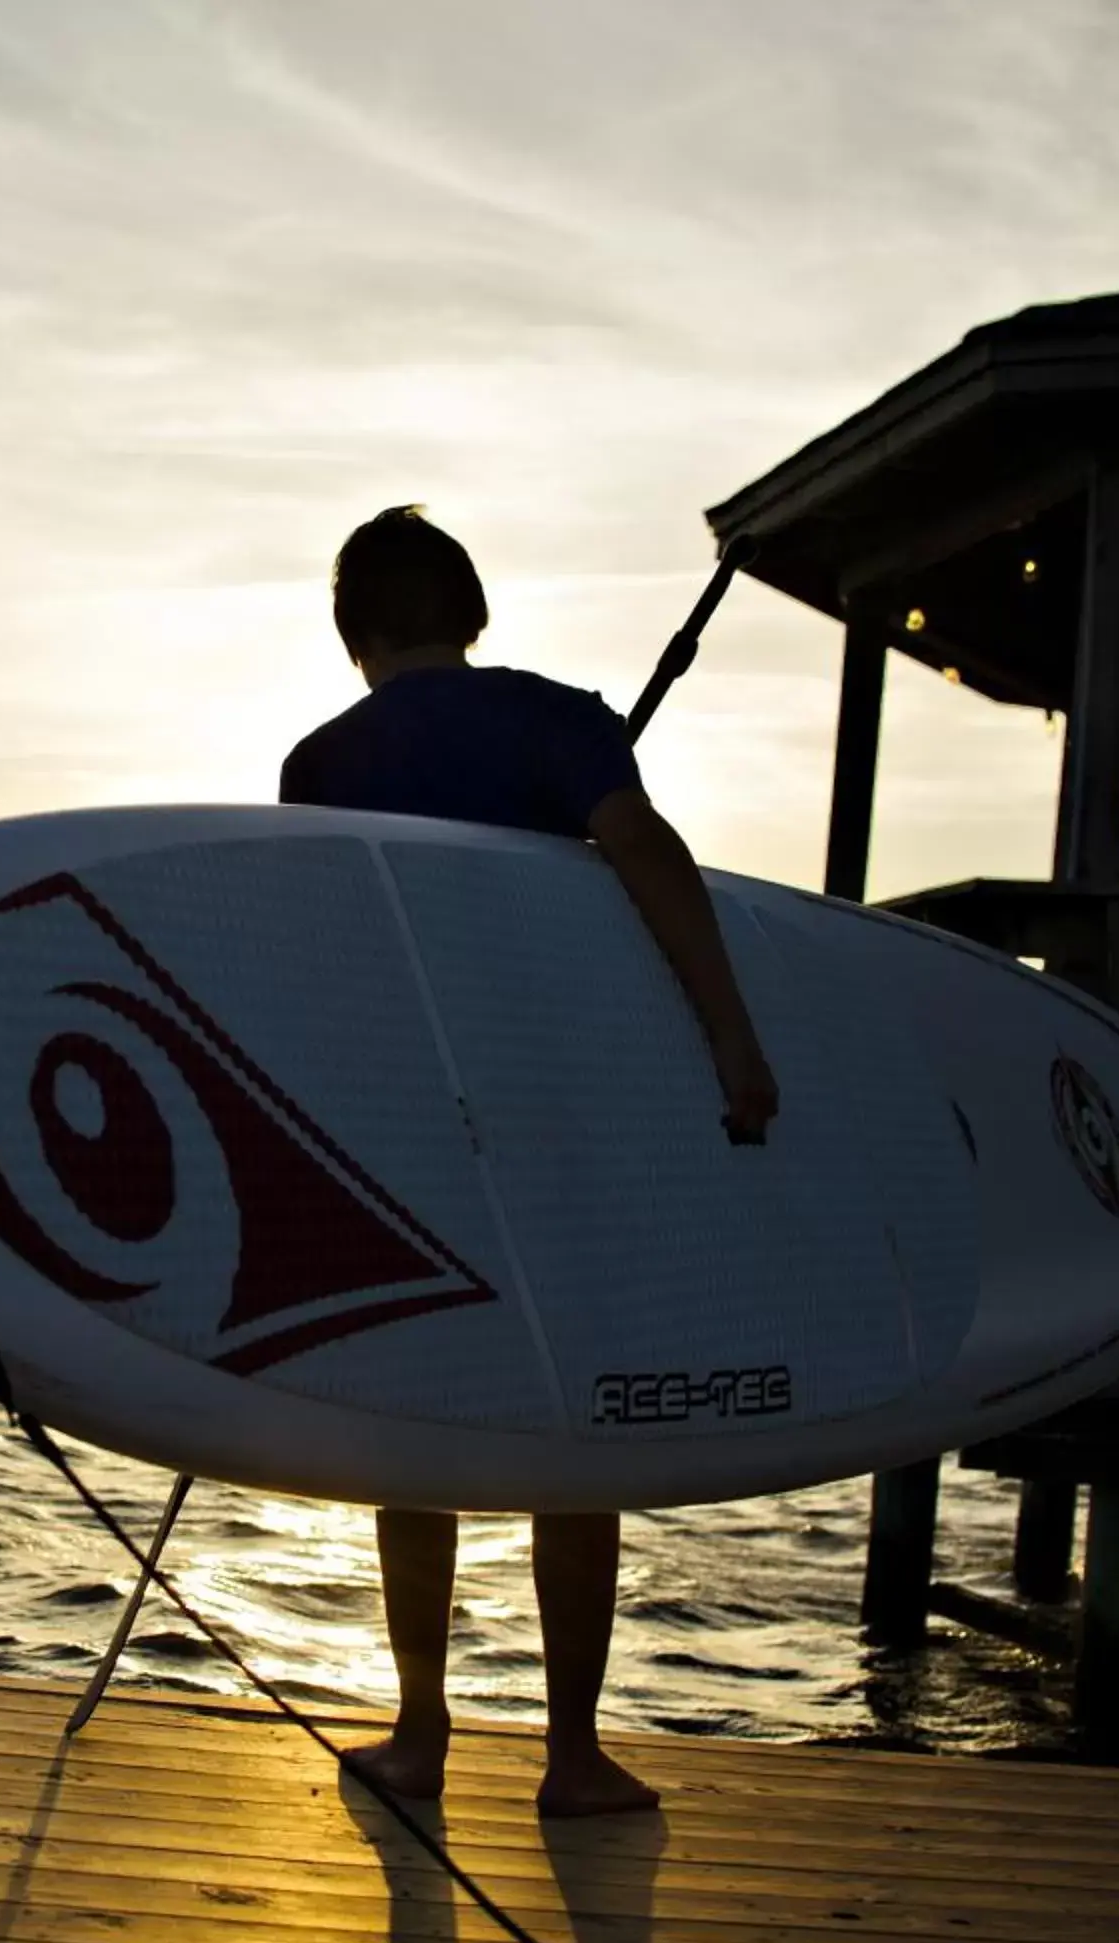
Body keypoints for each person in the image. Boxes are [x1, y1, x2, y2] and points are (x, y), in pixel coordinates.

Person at [279, 506, 780, 1819]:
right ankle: (571, 1754)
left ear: (355, 634)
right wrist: (733, 1039)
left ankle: (423, 1732)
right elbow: (650, 857)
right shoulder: (565, 721)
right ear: (472, 612)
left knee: (414, 1432)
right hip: (571, 1122)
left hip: (402, 1131)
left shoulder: (320, 761)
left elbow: (319, 958)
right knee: (581, 1427)